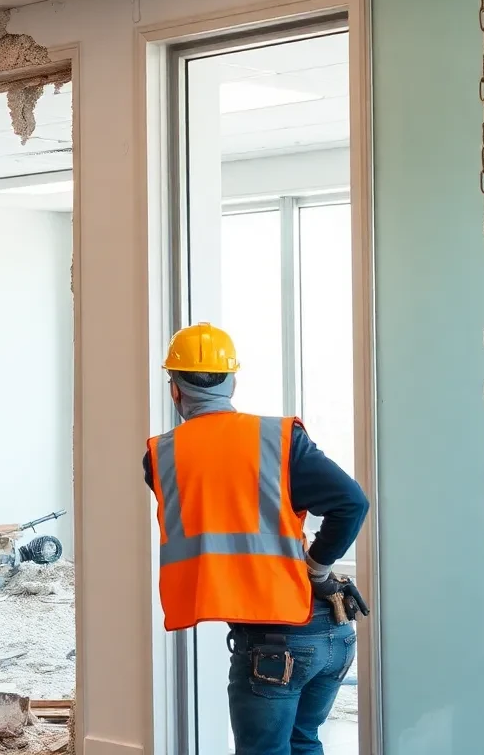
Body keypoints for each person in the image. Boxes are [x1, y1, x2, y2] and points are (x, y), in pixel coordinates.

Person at [145, 322, 369, 755]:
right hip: (332, 631)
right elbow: (351, 504)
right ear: (232, 382)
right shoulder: (282, 440)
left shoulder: (162, 456)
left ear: (175, 390)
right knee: (304, 742)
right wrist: (317, 567)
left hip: (274, 643)